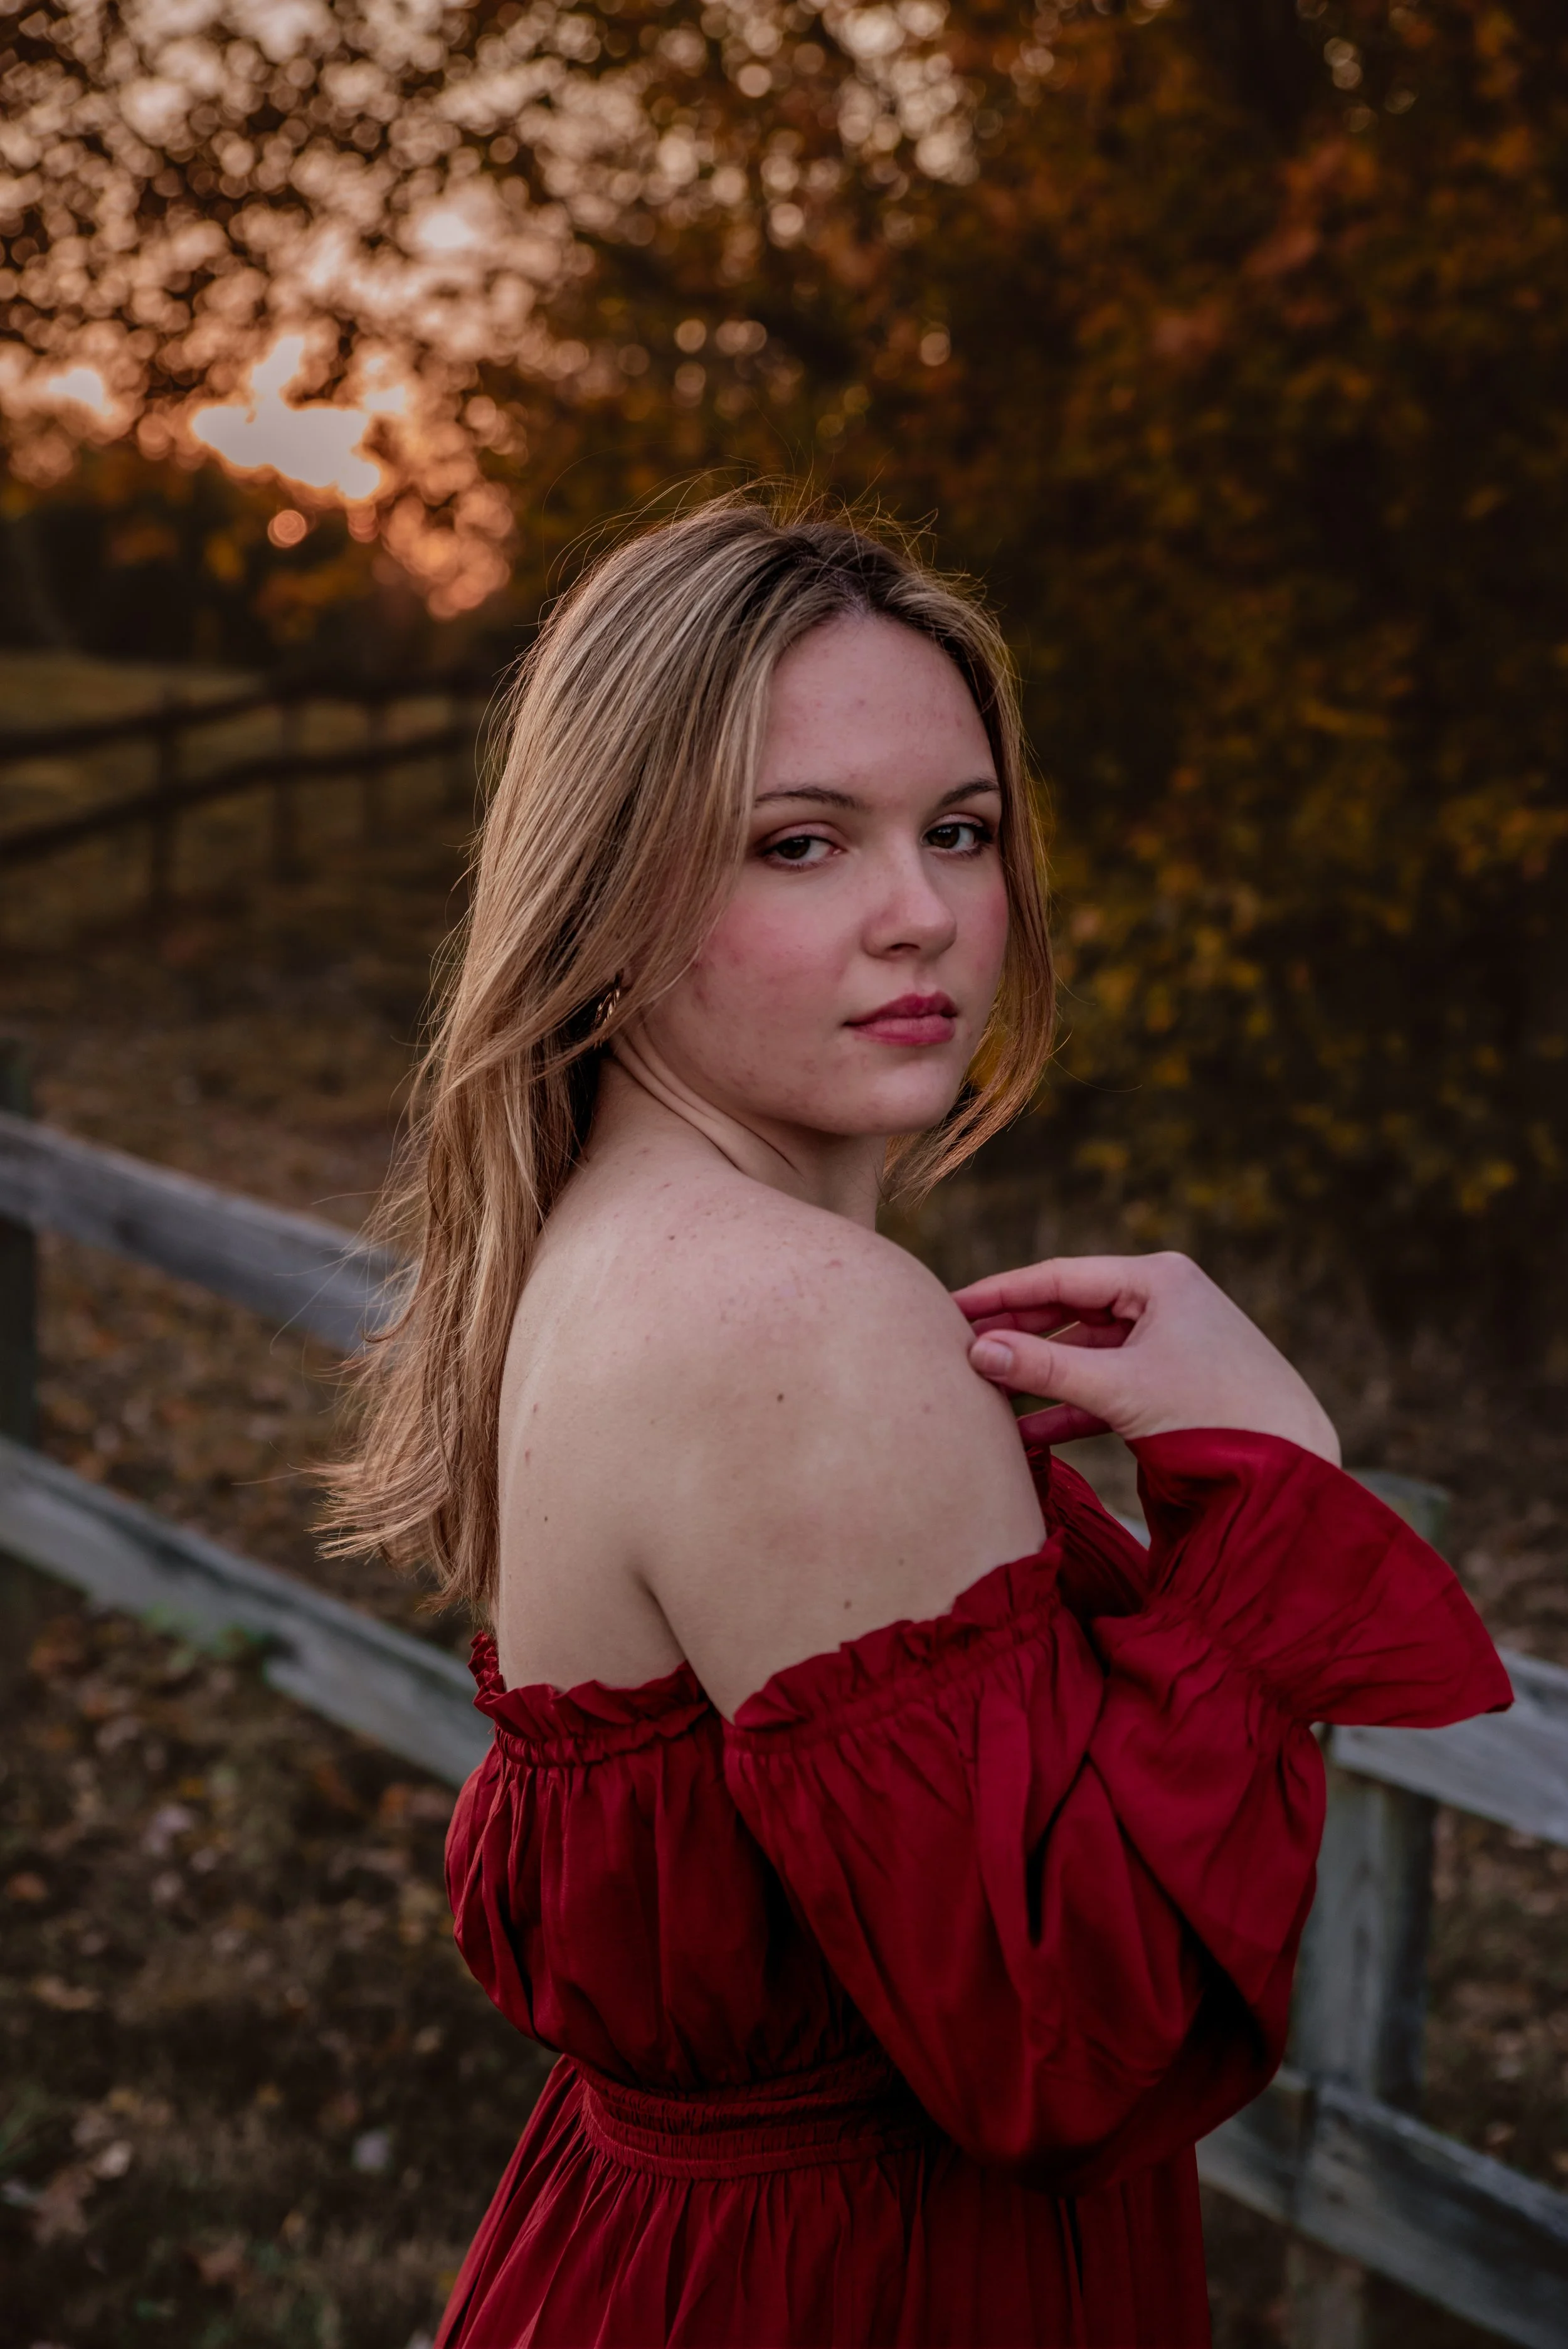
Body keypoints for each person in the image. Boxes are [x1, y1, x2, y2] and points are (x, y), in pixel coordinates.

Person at [327, 494, 1508, 2347]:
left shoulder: (600, 1244)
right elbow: (1079, 2055)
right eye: (800, 843)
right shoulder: (795, 1313)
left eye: (959, 830)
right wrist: (1267, 1478)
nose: (926, 916)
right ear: (608, 892)